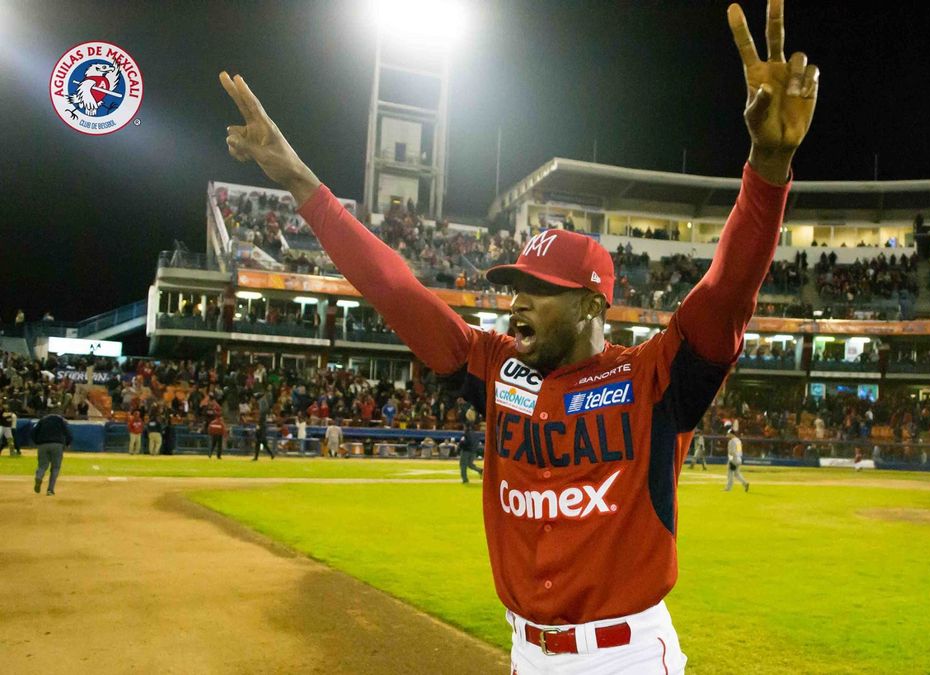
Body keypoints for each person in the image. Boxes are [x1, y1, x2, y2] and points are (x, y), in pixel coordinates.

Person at [220, 0, 817, 667]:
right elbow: (396, 290)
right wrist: (303, 183)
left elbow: (728, 288)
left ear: (593, 304)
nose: (516, 307)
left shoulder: (656, 378)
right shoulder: (497, 369)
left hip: (623, 658)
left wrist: (766, 168)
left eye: (539, 293)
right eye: (515, 290)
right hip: (525, 654)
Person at [32, 411, 72, 496]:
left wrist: (37, 442)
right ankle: (50, 490)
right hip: (57, 444)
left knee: (42, 466)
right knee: (55, 468)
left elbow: (33, 432)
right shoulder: (60, 420)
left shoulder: (42, 420)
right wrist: (68, 443)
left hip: (42, 445)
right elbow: (67, 432)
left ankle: (38, 477)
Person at [724, 424, 750, 492]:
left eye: (728, 433)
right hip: (739, 459)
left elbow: (731, 452)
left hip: (733, 459)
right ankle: (745, 483)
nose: (728, 435)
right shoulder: (738, 440)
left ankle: (728, 488)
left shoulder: (731, 441)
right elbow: (739, 451)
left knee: (730, 474)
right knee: (737, 474)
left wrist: (731, 461)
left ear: (731, 434)